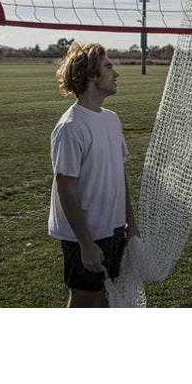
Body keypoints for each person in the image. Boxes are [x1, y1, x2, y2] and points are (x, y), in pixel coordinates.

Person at [48, 42, 139, 307]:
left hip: (112, 229)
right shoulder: (71, 127)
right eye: (108, 66)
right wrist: (85, 243)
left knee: (103, 297)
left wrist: (130, 224)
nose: (116, 73)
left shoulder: (112, 119)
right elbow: (66, 189)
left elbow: (119, 175)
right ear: (91, 74)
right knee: (84, 299)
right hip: (84, 235)